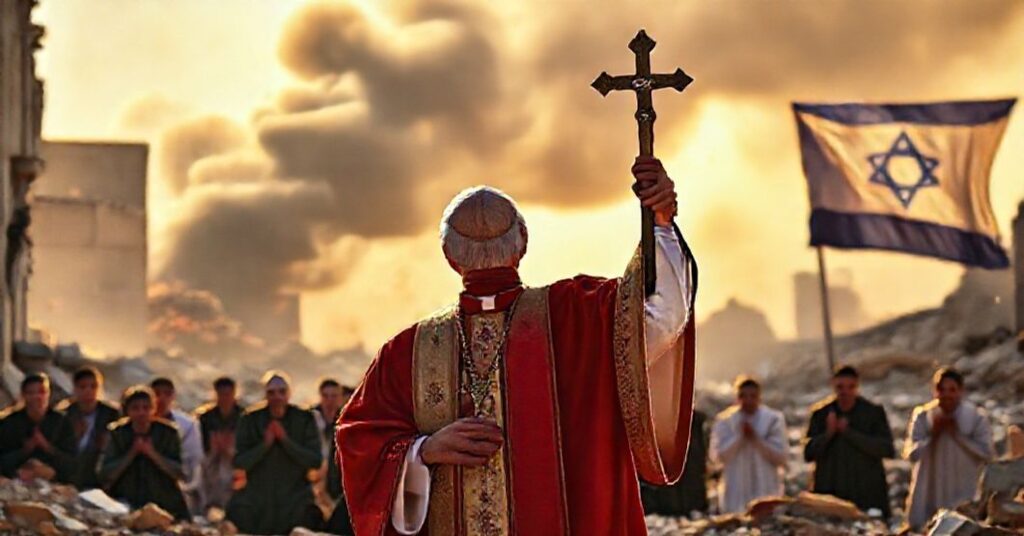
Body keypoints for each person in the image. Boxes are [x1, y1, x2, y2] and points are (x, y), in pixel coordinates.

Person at [339, 156, 697, 535]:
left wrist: (422, 451)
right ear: (523, 243)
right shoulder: (577, 316)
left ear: (449, 257)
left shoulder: (406, 352)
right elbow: (662, 319)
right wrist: (661, 222)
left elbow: (359, 440)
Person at [227, 371, 323, 535]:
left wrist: (285, 441)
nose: (277, 397)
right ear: (265, 394)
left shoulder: (304, 419)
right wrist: (265, 445)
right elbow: (239, 462)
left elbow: (315, 461)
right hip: (259, 498)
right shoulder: (250, 420)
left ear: (289, 393)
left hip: (295, 497)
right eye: (271, 392)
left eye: (282, 392)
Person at [904, 368, 995, 529]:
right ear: (935, 391)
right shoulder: (924, 416)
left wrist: (957, 436)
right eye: (941, 389)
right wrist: (934, 435)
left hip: (963, 491)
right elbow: (911, 454)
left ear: (960, 391)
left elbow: (987, 454)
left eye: (952, 390)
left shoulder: (975, 417)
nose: (946, 395)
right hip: (929, 494)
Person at [804, 366, 895, 518]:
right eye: (840, 387)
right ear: (833, 386)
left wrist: (849, 433)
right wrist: (828, 434)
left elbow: (886, 449)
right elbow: (808, 453)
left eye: (850, 387)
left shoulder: (872, 413)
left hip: (867, 492)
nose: (845, 392)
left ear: (857, 386)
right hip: (831, 494)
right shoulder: (821, 414)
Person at [99, 386, 190, 520]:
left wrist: (152, 453)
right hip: (125, 498)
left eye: (146, 408)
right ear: (127, 410)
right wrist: (131, 453)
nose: (141, 413)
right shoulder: (118, 433)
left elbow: (179, 472)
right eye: (135, 408)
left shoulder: (167, 433)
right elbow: (105, 473)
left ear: (153, 409)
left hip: (164, 501)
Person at [710, 377, 787, 513]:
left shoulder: (773, 420)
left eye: (752, 396)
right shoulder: (726, 421)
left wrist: (755, 439)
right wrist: (739, 437)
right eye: (743, 396)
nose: (748, 401)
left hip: (766, 486)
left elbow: (781, 456)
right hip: (736, 491)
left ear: (759, 397)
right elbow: (718, 456)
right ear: (737, 398)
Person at [54, 366, 120, 489]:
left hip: (98, 472)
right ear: (75, 389)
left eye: (93, 387)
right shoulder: (64, 414)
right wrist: (75, 437)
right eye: (83, 387)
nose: (88, 391)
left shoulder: (111, 414)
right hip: (69, 472)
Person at [641, 410, 709, 517]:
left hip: (690, 496)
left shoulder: (694, 421)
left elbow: (699, 460)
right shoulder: (649, 420)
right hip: (664, 501)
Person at [0, 373, 66, 480]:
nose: (37, 397)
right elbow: (3, 461)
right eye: (31, 393)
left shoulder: (62, 421)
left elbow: (71, 463)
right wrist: (24, 451)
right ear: (23, 395)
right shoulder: (9, 423)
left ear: (48, 394)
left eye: (42, 392)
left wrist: (47, 447)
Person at [151, 376, 204, 507]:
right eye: (157, 394)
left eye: (167, 394)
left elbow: (194, 458)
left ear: (173, 396)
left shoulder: (187, 425)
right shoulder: (139, 421)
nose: (162, 399)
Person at [195, 376, 243, 512]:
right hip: (211, 460)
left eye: (228, 394)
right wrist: (214, 448)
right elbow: (202, 445)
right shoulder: (206, 418)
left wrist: (230, 449)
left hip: (236, 461)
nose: (225, 398)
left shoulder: (243, 417)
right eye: (222, 394)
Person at [312, 379, 354, 534]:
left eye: (334, 396)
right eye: (326, 396)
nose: (330, 401)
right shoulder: (311, 420)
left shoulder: (347, 423)